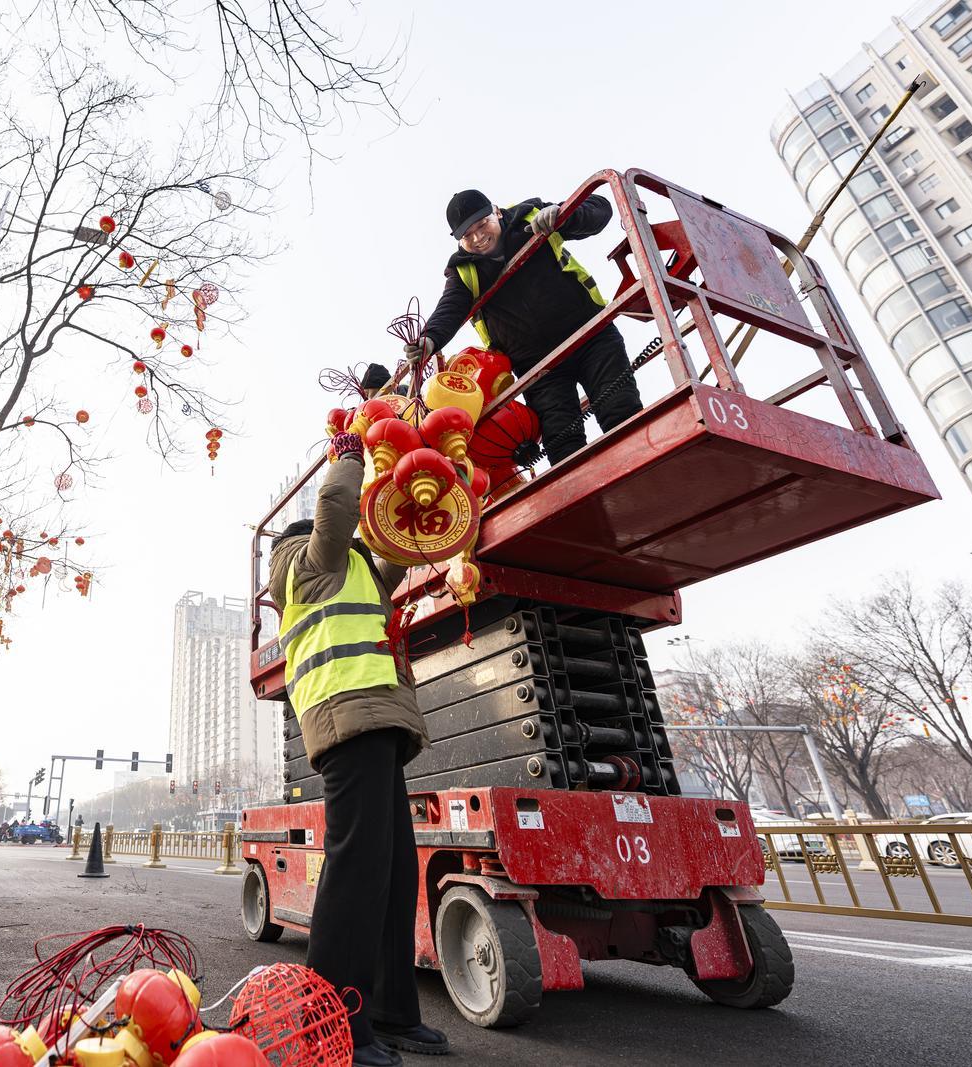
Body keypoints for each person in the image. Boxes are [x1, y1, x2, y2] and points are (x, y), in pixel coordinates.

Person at [269, 428, 443, 1066]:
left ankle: (394, 1013)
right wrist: (347, 454)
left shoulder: (354, 573)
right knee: (357, 870)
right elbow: (338, 514)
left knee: (395, 874)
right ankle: (329, 1022)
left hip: (380, 726)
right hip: (347, 723)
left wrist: (416, 497)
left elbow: (391, 549)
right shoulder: (304, 567)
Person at [412, 188, 643, 464]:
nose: (478, 237)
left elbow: (600, 209)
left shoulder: (530, 217)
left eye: (482, 225)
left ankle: (646, 471)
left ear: (496, 212)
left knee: (620, 411)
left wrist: (564, 216)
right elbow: (450, 308)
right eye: (467, 235)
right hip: (539, 368)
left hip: (590, 336)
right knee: (563, 444)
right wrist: (430, 339)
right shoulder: (464, 272)